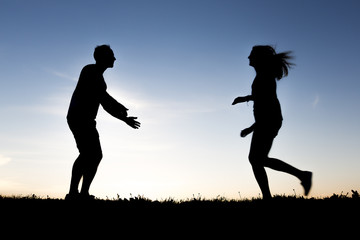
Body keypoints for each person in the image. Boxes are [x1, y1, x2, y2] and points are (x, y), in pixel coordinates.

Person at [232, 45, 312, 199]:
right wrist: (245, 99)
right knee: (257, 159)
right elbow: (262, 96)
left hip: (269, 119)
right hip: (268, 119)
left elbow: (266, 101)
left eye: (251, 55)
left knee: (256, 159)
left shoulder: (264, 76)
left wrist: (251, 128)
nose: (248, 58)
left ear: (258, 58)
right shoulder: (262, 75)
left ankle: (300, 177)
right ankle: (298, 178)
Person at [65, 45, 140, 200]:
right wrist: (123, 117)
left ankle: (81, 193)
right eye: (111, 55)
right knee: (90, 154)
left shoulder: (97, 75)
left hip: (85, 119)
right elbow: (103, 99)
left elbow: (103, 96)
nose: (114, 58)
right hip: (79, 118)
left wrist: (119, 108)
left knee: (93, 155)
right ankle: (75, 193)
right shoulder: (90, 71)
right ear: (102, 57)